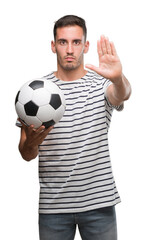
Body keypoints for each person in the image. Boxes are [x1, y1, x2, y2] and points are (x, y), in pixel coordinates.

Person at [17, 15, 131, 240]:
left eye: (76, 42)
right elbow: (26, 154)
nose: (69, 49)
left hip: (100, 204)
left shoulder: (101, 85)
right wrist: (31, 141)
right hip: (53, 209)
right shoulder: (34, 93)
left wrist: (118, 79)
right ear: (53, 46)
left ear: (85, 46)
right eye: (63, 42)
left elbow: (122, 94)